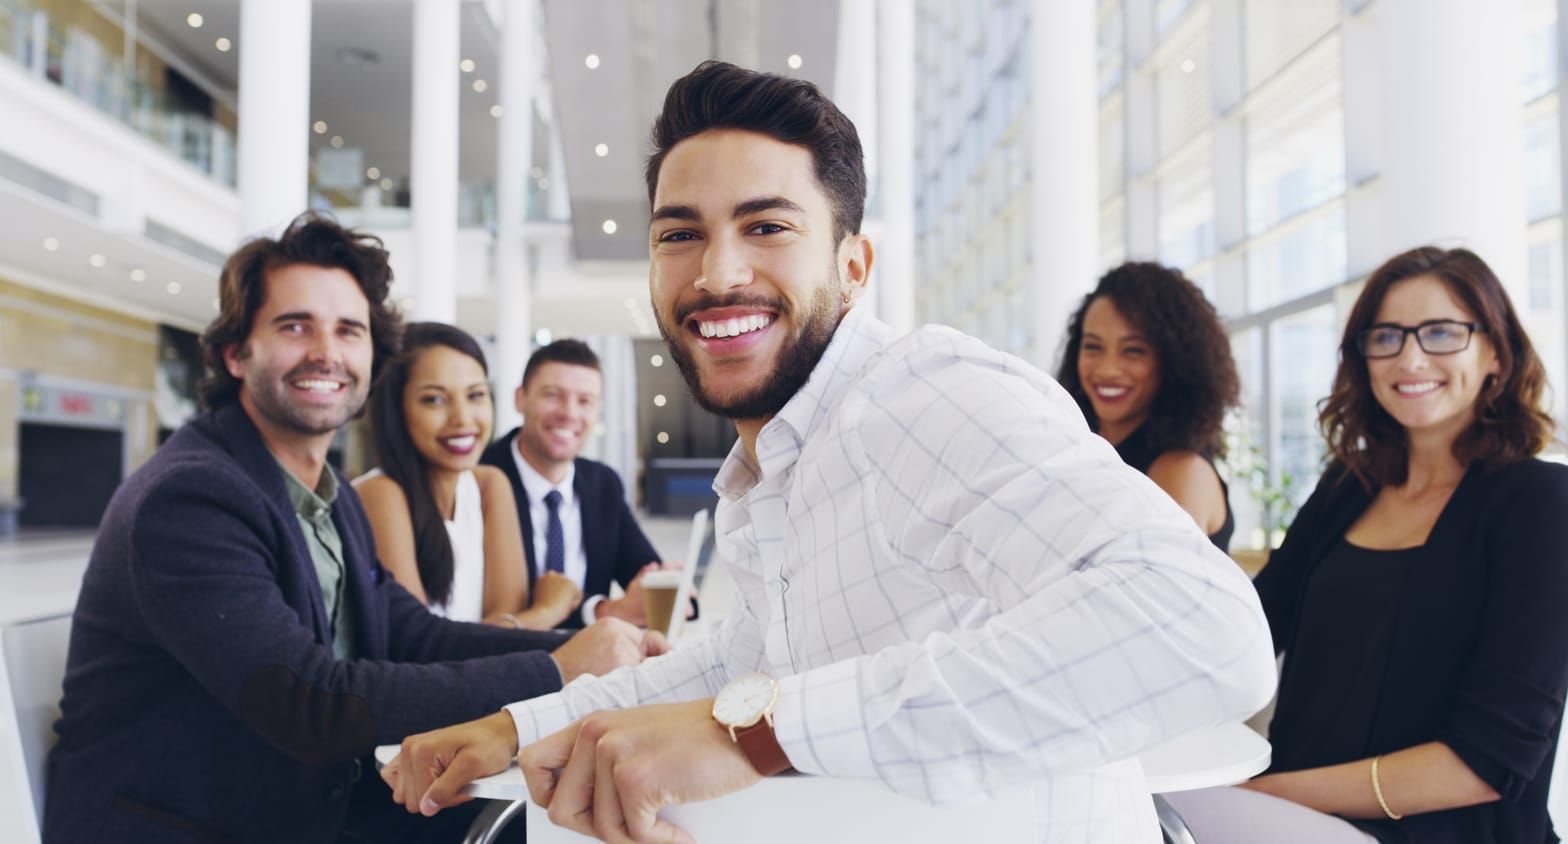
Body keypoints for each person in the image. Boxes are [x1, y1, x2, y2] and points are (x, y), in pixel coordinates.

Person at [384, 60, 1275, 843]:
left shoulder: (920, 394)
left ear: (853, 266)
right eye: (678, 233)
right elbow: (739, 665)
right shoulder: (779, 462)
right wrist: (515, 726)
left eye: (767, 226)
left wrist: (755, 735)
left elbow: (1202, 626)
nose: (716, 273)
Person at [42, 213, 664, 844]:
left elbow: (408, 632)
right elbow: (309, 701)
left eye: (349, 330)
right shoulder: (191, 497)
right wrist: (556, 671)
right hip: (195, 823)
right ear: (236, 352)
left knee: (571, 814)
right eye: (295, 326)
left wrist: (586, 647)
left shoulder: (324, 494)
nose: (326, 352)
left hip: (300, 802)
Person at [1167, 246, 1568, 843]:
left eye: (1440, 333)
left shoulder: (1542, 503)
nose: (1409, 356)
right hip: (1285, 818)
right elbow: (1248, 630)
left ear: (1495, 353)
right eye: (1385, 336)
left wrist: (1264, 794)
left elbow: (1487, 764)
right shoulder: (1346, 487)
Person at [357, 322, 581, 629]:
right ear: (396, 410)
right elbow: (420, 649)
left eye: (475, 395)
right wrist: (548, 611)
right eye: (434, 399)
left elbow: (505, 632)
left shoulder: (489, 484)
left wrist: (521, 623)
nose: (462, 418)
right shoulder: (380, 492)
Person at [479, 340, 679, 629]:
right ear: (520, 399)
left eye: (584, 401)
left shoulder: (602, 484)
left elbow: (644, 573)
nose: (570, 413)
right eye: (553, 395)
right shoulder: (481, 477)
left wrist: (664, 583)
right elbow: (502, 612)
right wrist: (601, 611)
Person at [1055, 262, 1240, 550]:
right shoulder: (1080, 447)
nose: (1107, 370)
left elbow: (1160, 592)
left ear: (1173, 362)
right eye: (1093, 346)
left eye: (1134, 351)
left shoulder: (1180, 471)